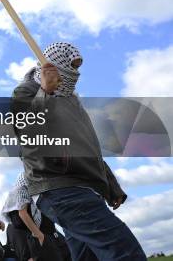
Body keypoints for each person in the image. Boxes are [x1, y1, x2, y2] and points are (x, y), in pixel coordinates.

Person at [12, 42, 146, 261]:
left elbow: (87, 145)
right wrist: (45, 92)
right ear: (55, 65)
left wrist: (110, 183)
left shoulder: (72, 100)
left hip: (84, 186)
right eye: (70, 66)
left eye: (77, 67)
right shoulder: (26, 91)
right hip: (61, 186)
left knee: (87, 257)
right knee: (123, 250)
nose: (74, 73)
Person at [1, 172, 70, 261]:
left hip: (53, 239)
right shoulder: (15, 225)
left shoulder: (37, 206)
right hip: (43, 243)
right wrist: (40, 236)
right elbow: (22, 213)